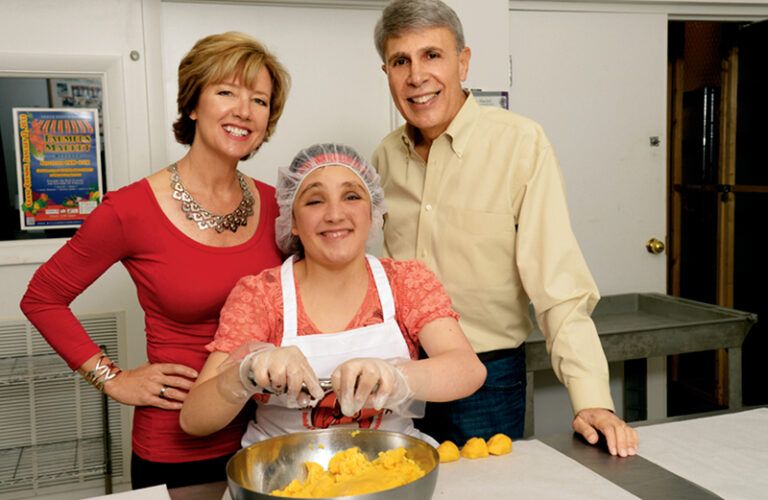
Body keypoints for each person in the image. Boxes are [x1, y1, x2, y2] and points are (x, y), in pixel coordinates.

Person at [19, 32, 290, 488]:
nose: (244, 110)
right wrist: (112, 378)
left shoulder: (279, 206)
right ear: (192, 104)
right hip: (179, 442)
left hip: (272, 432)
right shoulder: (130, 210)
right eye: (226, 92)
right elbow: (42, 297)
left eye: (259, 100)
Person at [371, 0, 639, 457]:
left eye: (432, 55)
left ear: (463, 61)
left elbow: (557, 283)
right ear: (387, 72)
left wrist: (592, 398)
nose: (416, 76)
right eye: (401, 61)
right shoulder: (383, 158)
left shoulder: (520, 144)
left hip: (487, 381)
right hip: (400, 380)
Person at [180, 143, 486, 447]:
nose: (335, 214)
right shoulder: (260, 295)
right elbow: (194, 420)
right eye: (314, 201)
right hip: (283, 477)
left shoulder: (406, 282)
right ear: (293, 222)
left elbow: (467, 370)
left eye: (351, 196)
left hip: (394, 466)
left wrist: (398, 377)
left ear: (373, 212)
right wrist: (244, 374)